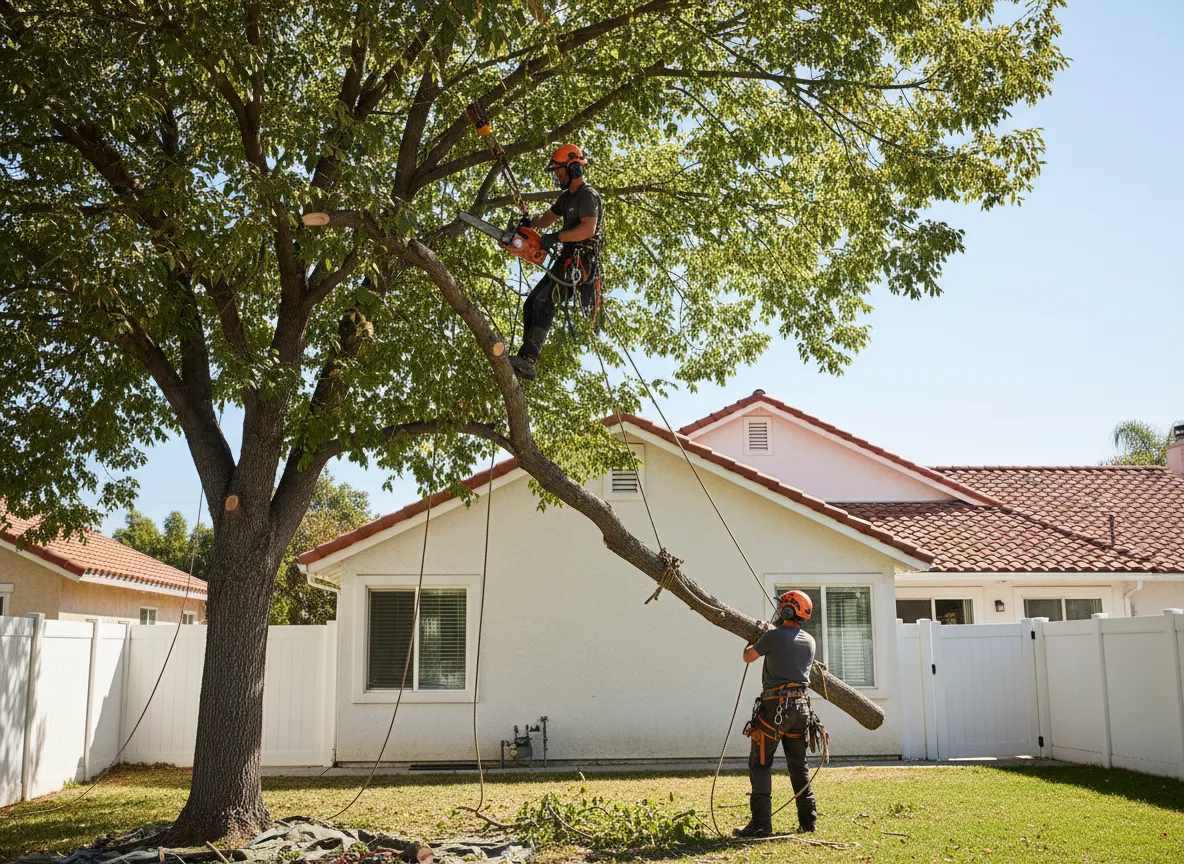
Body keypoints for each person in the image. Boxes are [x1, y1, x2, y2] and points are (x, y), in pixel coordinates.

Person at [508, 143, 603, 380]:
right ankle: (525, 356)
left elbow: (588, 229)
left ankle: (529, 359)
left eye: (560, 172)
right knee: (531, 303)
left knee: (545, 301)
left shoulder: (587, 195)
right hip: (566, 259)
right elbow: (546, 220)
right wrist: (529, 223)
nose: (558, 176)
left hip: (582, 260)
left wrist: (557, 237)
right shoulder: (566, 197)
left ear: (573, 169)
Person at [735, 589, 818, 837]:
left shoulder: (773, 636)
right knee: (798, 766)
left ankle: (761, 825)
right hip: (801, 709)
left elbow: (748, 656)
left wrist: (755, 638)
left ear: (788, 610)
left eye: (782, 607)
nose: (779, 611)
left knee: (760, 763)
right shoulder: (810, 641)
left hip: (775, 708)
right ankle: (808, 821)